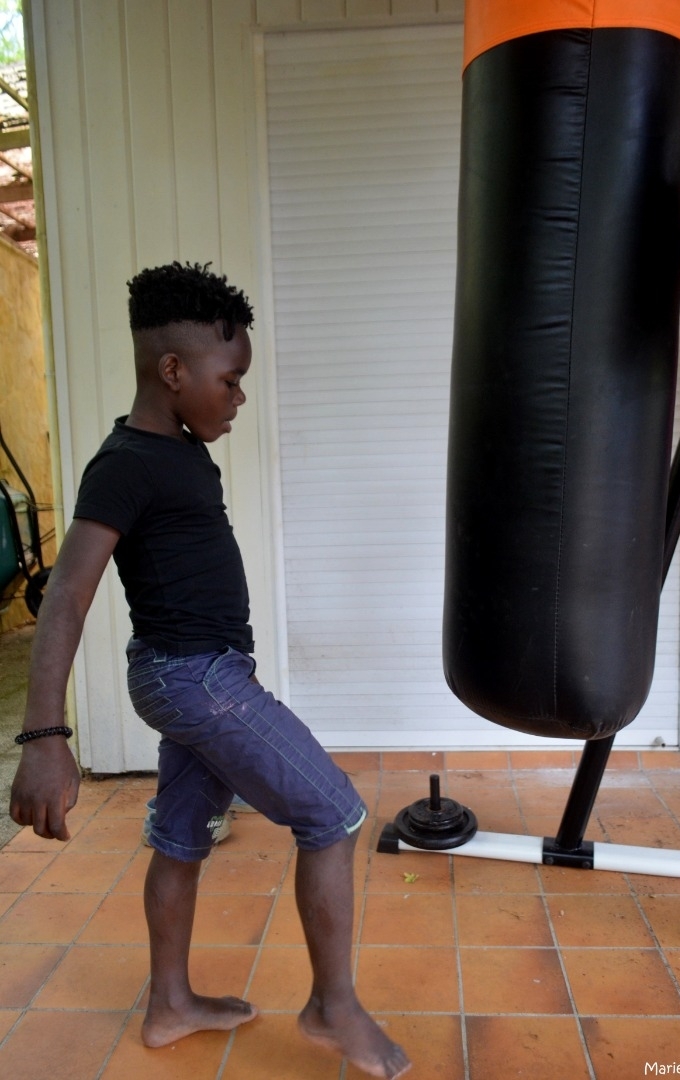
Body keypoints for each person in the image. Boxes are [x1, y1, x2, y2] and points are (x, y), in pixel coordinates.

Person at [9, 262, 411, 1080]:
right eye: (229, 380)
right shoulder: (125, 463)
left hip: (192, 676)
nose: (238, 396)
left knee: (180, 837)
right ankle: (333, 1007)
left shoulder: (183, 451)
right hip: (196, 681)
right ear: (173, 371)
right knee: (333, 815)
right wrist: (45, 735)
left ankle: (169, 1005)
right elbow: (66, 597)